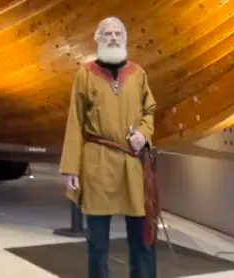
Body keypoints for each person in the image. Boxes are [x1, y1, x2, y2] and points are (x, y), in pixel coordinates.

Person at [59, 16, 158, 278]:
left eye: (118, 34)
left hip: (132, 164)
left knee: (142, 239)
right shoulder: (85, 75)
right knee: (98, 245)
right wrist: (71, 168)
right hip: (98, 164)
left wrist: (144, 133)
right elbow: (75, 122)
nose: (113, 38)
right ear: (98, 39)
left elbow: (149, 110)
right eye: (107, 34)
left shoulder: (138, 74)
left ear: (124, 39)